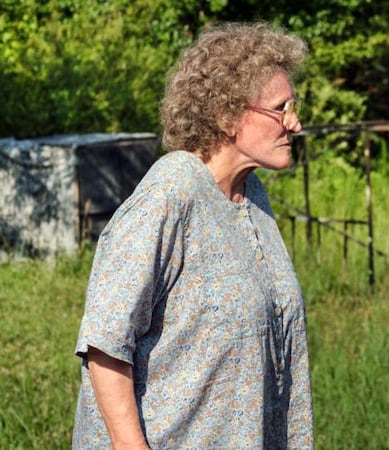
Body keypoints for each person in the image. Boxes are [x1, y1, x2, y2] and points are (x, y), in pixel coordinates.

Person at [72, 22, 313, 449]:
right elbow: (106, 341)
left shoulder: (251, 195)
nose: (294, 123)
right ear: (226, 115)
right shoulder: (170, 194)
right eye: (280, 108)